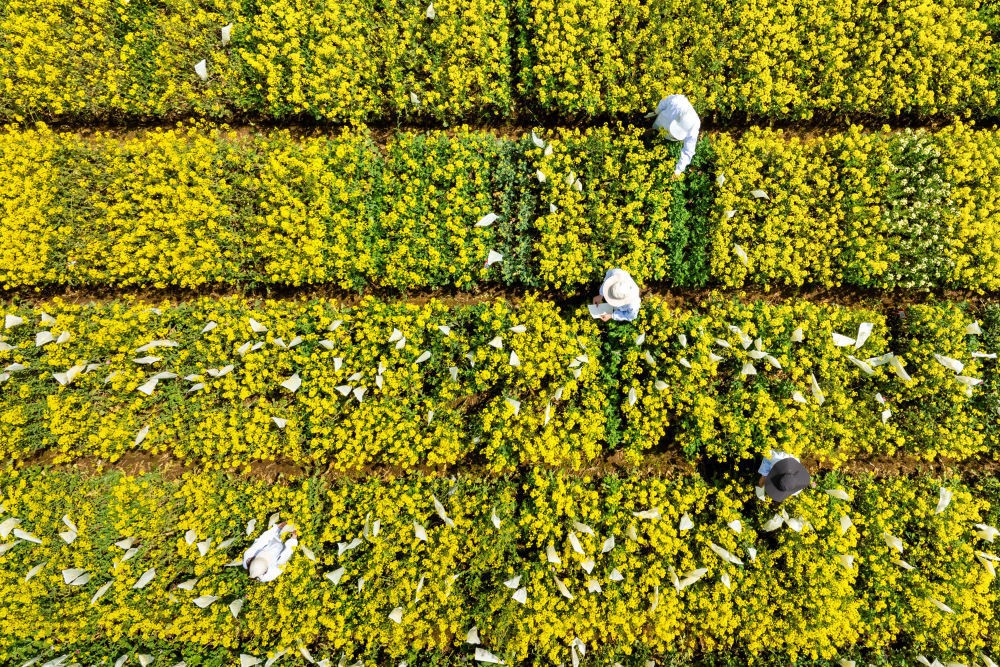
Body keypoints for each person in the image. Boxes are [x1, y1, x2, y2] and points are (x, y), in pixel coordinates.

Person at [648, 94, 700, 178]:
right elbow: (664, 102)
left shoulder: (694, 125)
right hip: (659, 123)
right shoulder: (676, 101)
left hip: (668, 140)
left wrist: (678, 170)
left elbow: (688, 150)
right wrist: (656, 111)